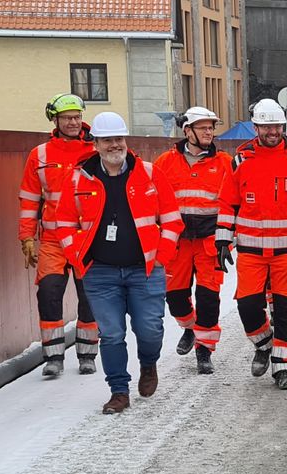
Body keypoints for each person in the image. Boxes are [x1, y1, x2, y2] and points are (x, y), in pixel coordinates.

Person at [55, 112, 184, 414]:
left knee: (149, 329)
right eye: (108, 140)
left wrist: (161, 257)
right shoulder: (79, 178)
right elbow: (61, 222)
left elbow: (172, 220)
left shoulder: (149, 174)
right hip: (100, 273)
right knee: (111, 334)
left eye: (119, 139)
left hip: (145, 270)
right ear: (96, 144)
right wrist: (78, 258)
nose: (115, 145)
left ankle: (148, 364)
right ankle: (118, 390)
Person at [216, 99, 287, 389]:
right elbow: (228, 203)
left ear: (283, 126)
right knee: (248, 306)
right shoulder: (241, 161)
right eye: (266, 126)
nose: (272, 132)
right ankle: (264, 343)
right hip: (251, 252)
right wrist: (222, 240)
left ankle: (284, 369)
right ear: (256, 128)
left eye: (276, 126)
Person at [18, 93, 99, 378]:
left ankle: (87, 353)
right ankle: (53, 357)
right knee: (49, 292)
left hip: (86, 238)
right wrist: (27, 238)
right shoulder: (39, 155)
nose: (73, 122)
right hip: (52, 239)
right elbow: (29, 200)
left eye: (77, 117)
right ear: (55, 120)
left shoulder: (96, 150)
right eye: (67, 118)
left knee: (90, 296)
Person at [153, 106, 232, 374]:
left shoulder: (223, 163)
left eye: (211, 127)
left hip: (210, 242)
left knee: (209, 298)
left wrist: (228, 239)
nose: (209, 132)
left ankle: (204, 351)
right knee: (175, 297)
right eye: (203, 127)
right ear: (187, 131)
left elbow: (234, 204)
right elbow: (154, 200)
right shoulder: (165, 162)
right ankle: (189, 327)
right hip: (177, 242)